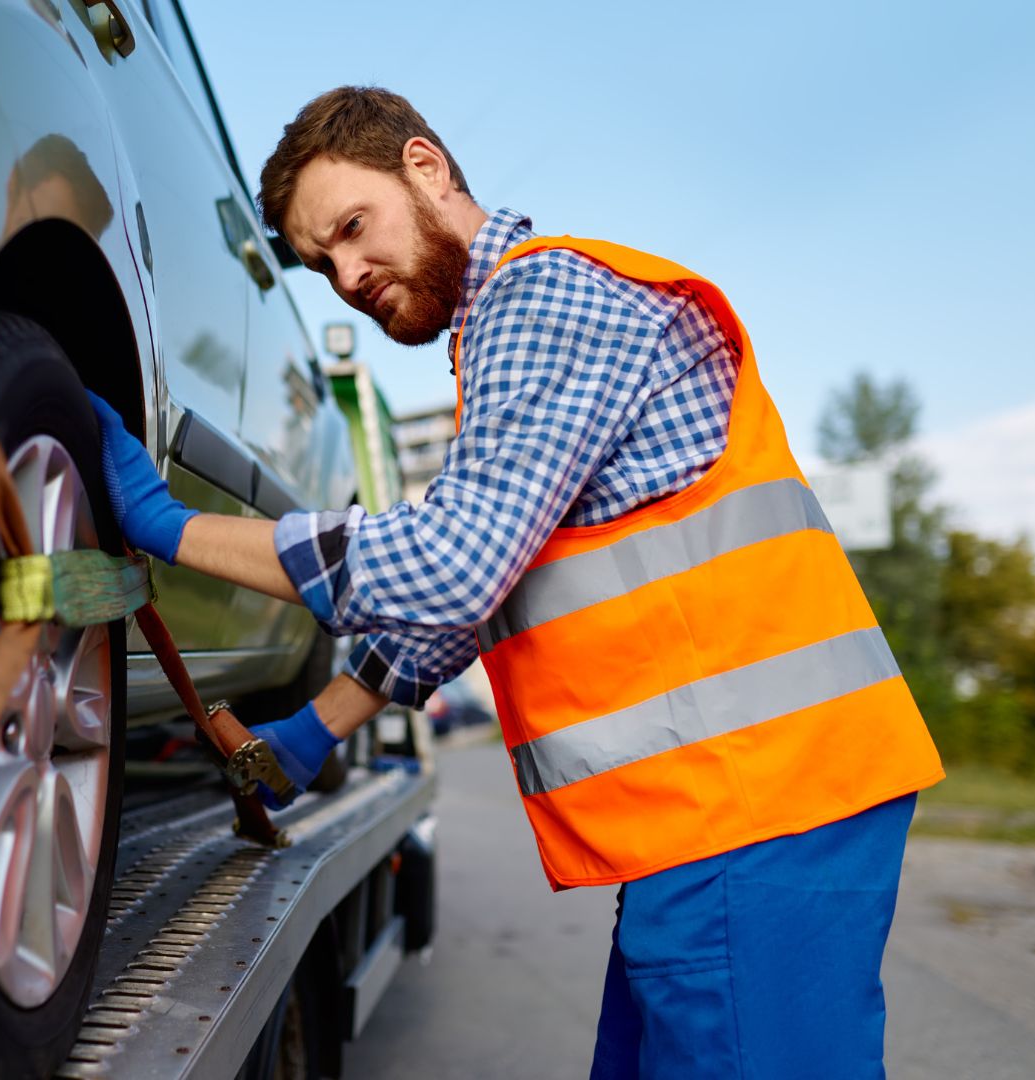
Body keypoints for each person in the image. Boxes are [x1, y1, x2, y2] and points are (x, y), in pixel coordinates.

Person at [87, 86, 943, 1078]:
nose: (350, 277)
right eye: (325, 265)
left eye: (354, 230)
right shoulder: (504, 340)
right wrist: (316, 727)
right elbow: (478, 595)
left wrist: (172, 527)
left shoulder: (542, 300)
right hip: (727, 812)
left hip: (756, 809)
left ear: (426, 167)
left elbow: (450, 568)